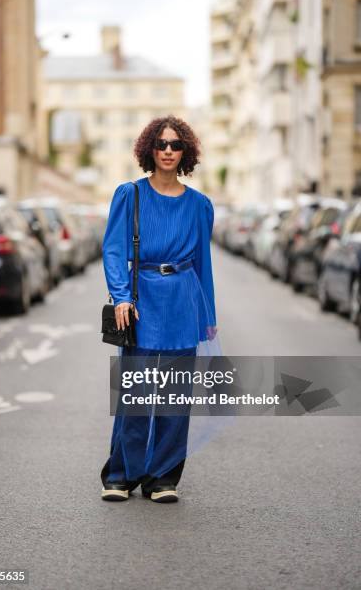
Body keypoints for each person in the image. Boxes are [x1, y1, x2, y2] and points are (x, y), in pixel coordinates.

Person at [101, 115, 218, 503]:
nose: (168, 151)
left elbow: (203, 263)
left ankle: (163, 478)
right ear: (149, 149)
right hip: (141, 300)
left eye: (175, 145)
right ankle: (121, 474)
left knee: (173, 400)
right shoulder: (129, 195)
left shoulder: (200, 205)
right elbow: (115, 250)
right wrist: (121, 296)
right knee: (134, 396)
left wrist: (209, 316)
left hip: (184, 302)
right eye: (161, 144)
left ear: (186, 152)